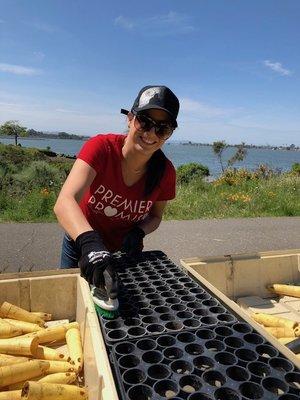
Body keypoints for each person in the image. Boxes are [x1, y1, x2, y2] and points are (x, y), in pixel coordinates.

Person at [54, 85, 180, 290]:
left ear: (169, 133)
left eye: (162, 128)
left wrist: (139, 232)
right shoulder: (101, 148)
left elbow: (155, 217)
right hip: (82, 241)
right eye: (145, 121)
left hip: (126, 250)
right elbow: (65, 201)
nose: (151, 133)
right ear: (130, 118)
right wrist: (89, 243)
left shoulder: (165, 171)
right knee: (69, 298)